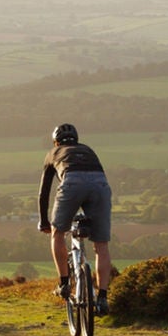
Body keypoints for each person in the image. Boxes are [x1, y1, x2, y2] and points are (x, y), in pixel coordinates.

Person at [37, 122, 113, 314]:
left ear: (56, 142)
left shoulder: (53, 154)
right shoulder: (88, 150)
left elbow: (43, 193)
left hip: (72, 183)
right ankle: (103, 297)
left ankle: (63, 284)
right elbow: (96, 176)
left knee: (58, 233)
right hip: (100, 186)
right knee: (101, 245)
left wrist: (45, 222)